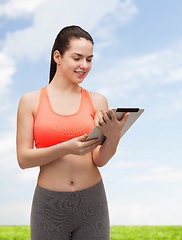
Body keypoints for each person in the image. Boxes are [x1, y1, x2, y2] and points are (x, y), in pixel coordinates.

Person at [16, 25, 129, 240]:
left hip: (92, 202)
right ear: (57, 56)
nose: (84, 66)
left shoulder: (97, 100)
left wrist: (114, 136)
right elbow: (23, 159)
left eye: (89, 59)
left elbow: (99, 159)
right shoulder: (30, 101)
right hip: (49, 206)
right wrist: (66, 148)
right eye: (77, 58)